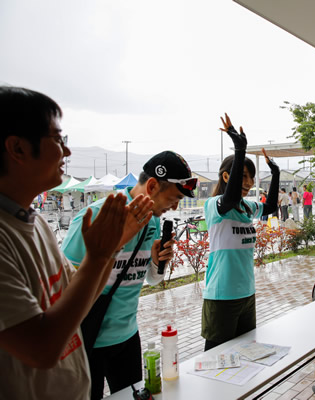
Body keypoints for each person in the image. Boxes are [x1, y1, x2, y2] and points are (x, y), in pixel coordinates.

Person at [0, 86, 130, 399]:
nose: (67, 152)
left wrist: (112, 247)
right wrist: (97, 257)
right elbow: (41, 349)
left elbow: (80, 299)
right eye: (58, 139)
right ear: (17, 148)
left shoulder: (36, 222)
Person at [62, 150, 191, 398]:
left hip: (128, 336)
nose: (175, 207)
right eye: (174, 198)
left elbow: (149, 279)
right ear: (152, 186)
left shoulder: (152, 222)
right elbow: (63, 284)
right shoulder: (96, 216)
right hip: (88, 339)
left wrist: (156, 263)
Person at [202, 114, 279, 351]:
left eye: (251, 177)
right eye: (243, 176)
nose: (249, 182)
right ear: (227, 176)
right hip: (222, 296)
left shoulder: (247, 207)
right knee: (216, 357)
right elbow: (230, 198)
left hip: (247, 294)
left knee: (245, 355)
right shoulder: (215, 206)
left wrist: (275, 174)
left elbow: (270, 207)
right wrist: (239, 149)